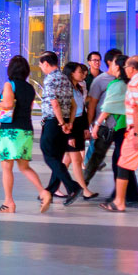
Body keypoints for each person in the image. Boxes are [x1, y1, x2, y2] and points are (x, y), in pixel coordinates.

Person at [0, 55, 53, 213]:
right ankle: (43, 192)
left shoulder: (10, 85)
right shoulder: (30, 88)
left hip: (11, 131)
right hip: (26, 130)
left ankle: (9, 203)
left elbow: (7, 105)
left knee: (7, 166)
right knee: (24, 166)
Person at [93, 51, 138, 207]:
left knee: (120, 162)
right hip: (129, 127)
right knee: (124, 162)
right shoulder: (136, 83)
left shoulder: (118, 84)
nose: (113, 68)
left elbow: (108, 107)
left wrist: (96, 124)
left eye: (115, 65)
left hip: (124, 127)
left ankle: (119, 199)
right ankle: (131, 196)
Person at [102, 55, 138, 213]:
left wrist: (136, 135)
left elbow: (137, 110)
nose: (124, 70)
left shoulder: (134, 84)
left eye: (125, 67)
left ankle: (119, 202)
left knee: (123, 165)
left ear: (131, 68)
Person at [37, 51, 81, 205]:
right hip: (66, 122)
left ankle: (73, 186)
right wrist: (69, 123)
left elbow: (54, 103)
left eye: (41, 64)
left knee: (48, 153)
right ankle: (50, 191)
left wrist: (62, 123)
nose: (41, 67)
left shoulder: (50, 79)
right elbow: (74, 105)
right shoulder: (66, 79)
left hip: (54, 122)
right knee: (57, 158)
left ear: (47, 64)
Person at [62, 62, 98, 199]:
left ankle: (52, 187)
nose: (82, 74)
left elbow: (82, 109)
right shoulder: (66, 89)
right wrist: (69, 134)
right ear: (72, 73)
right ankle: (83, 190)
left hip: (78, 125)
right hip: (69, 127)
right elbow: (66, 112)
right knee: (76, 159)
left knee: (67, 160)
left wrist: (85, 128)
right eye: (79, 72)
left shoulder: (79, 88)